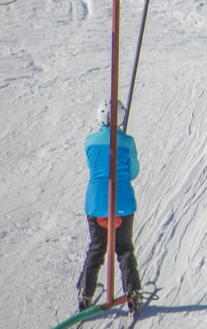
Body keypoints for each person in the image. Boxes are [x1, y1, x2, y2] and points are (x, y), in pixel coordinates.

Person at [78, 101, 141, 311]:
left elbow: (93, 166)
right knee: (124, 248)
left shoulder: (90, 142)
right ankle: (133, 292)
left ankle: (85, 294)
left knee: (97, 247)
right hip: (121, 203)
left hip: (96, 203)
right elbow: (133, 172)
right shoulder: (127, 142)